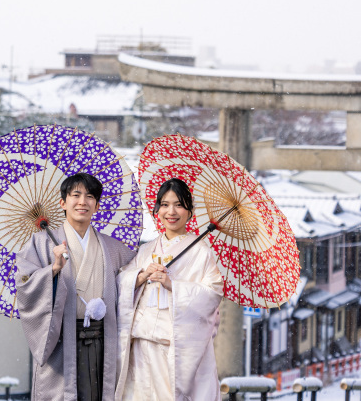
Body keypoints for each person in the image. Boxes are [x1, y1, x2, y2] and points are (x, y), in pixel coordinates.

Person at [16, 172, 136, 401]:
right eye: (76, 195)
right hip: (61, 342)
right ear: (63, 202)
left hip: (103, 342)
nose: (83, 202)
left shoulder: (114, 248)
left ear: (97, 206)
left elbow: (129, 284)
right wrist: (52, 270)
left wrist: (141, 276)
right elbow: (25, 285)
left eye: (90, 196)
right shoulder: (40, 243)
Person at [115, 178, 223, 401]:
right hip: (141, 341)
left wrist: (172, 285)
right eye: (164, 204)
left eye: (179, 205)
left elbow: (212, 293)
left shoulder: (201, 251)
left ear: (190, 212)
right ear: (156, 209)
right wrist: (141, 275)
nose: (171, 211)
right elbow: (120, 282)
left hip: (175, 346)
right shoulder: (146, 250)